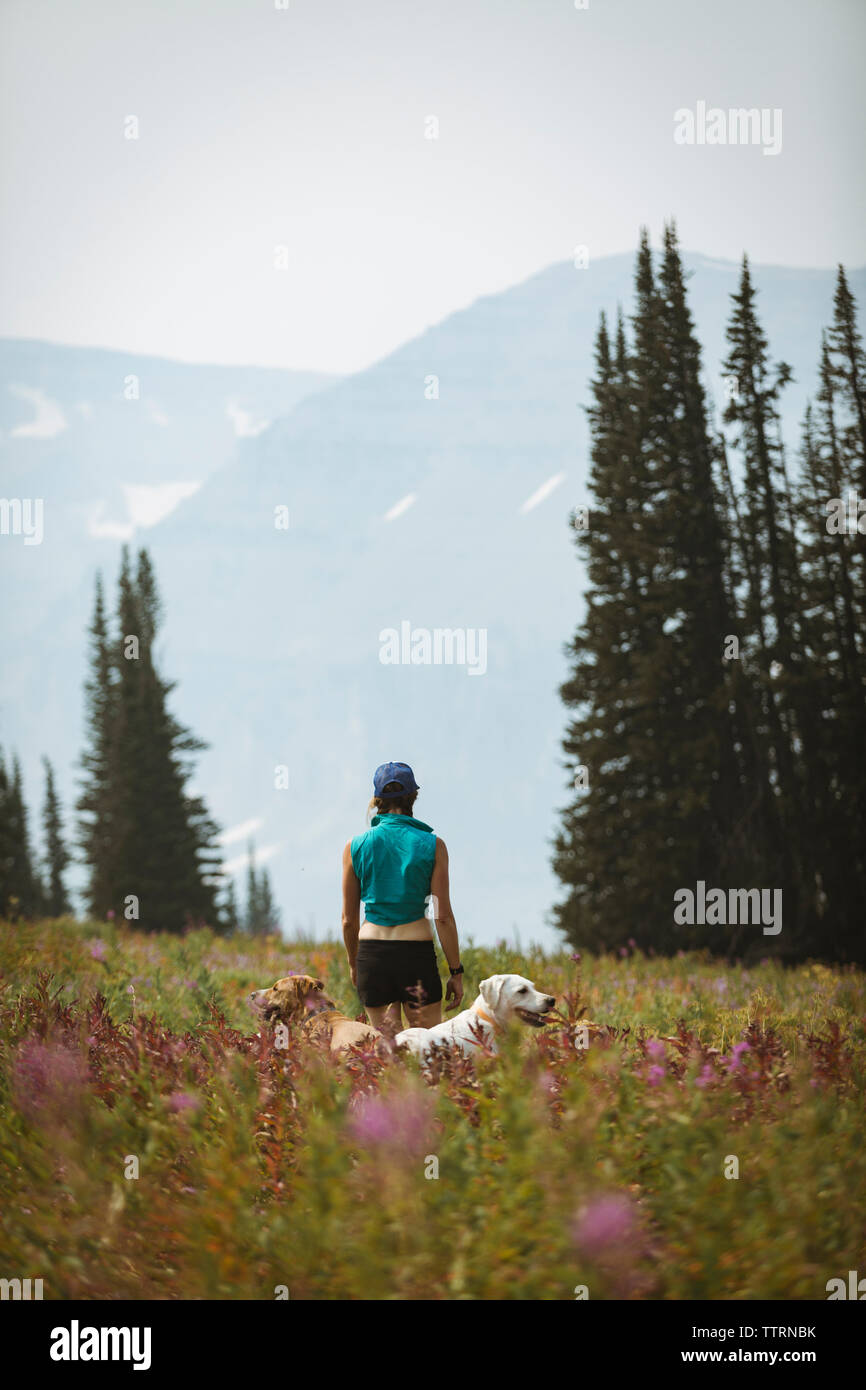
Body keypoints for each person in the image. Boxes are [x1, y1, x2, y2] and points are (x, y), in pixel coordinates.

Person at [342, 762, 464, 1039]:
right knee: (429, 1047)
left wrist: (354, 964)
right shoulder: (433, 846)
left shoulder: (355, 846)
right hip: (415, 954)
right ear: (414, 797)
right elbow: (442, 916)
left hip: (372, 954)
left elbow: (349, 921)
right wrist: (456, 971)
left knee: (387, 1052)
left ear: (376, 801)